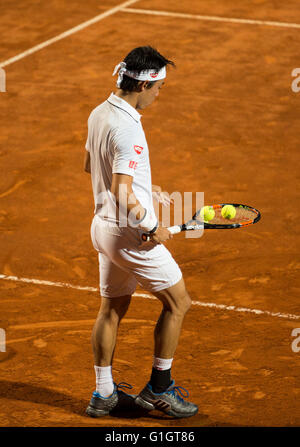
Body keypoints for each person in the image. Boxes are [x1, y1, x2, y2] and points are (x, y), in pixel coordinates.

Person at [84, 46, 198, 418]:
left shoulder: (100, 112)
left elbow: (92, 166)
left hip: (102, 227)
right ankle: (159, 389)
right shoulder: (128, 127)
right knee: (178, 302)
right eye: (160, 87)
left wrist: (146, 195)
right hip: (130, 234)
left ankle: (103, 394)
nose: (160, 93)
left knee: (112, 308)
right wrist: (149, 224)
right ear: (144, 85)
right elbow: (121, 188)